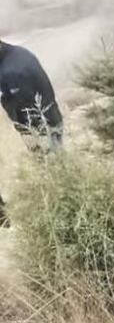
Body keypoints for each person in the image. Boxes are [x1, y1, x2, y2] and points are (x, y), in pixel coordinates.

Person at [0, 38, 65, 225]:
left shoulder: (12, 72)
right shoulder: (16, 54)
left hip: (40, 126)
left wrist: (28, 134)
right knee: (53, 163)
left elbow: (26, 108)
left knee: (50, 166)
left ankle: (60, 209)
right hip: (50, 117)